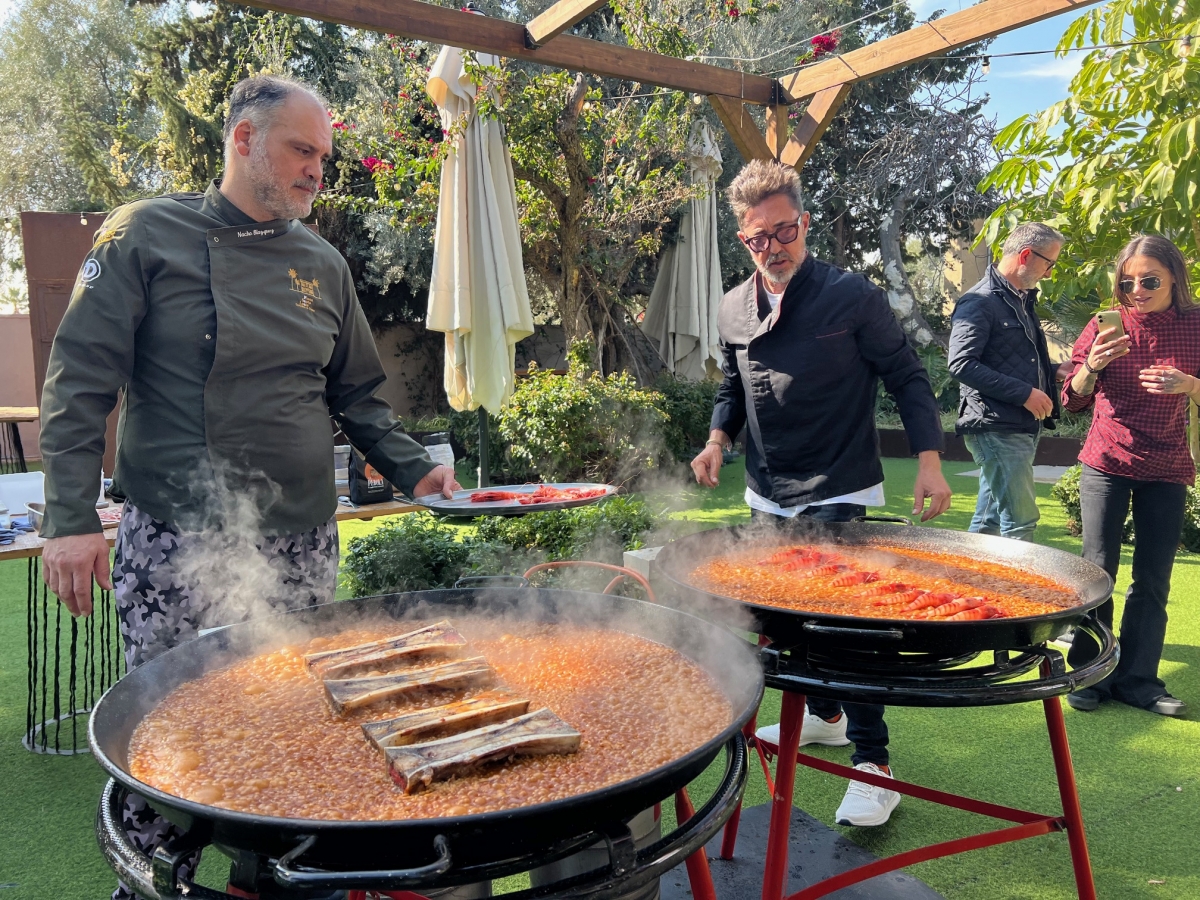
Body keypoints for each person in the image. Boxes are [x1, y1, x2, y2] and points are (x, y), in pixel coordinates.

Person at [38, 74, 461, 899]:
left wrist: (417, 466)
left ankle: (273, 886)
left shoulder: (323, 263)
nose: (317, 172)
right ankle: (154, 886)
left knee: (294, 725)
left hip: (302, 540)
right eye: (302, 150)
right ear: (243, 139)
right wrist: (68, 516)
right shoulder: (144, 235)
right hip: (178, 539)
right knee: (174, 736)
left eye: (324, 157)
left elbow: (359, 396)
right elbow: (79, 378)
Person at [689, 160, 951, 827]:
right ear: (742, 240)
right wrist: (718, 441)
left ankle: (874, 764)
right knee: (779, 618)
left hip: (838, 481)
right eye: (757, 238)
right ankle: (826, 718)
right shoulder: (730, 306)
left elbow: (907, 376)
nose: (773, 247)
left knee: (841, 623)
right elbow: (732, 387)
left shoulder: (851, 296)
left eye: (784, 231)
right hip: (767, 489)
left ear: (803, 223)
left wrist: (929, 460)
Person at [1061, 235, 1198, 718]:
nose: (1137, 290)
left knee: (1153, 580)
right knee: (1098, 573)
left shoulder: (1196, 325)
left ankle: (1139, 682)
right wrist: (1091, 367)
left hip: (1167, 466)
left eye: (1149, 280)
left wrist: (1190, 384)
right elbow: (1071, 399)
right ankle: (1089, 674)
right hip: (1107, 461)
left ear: (1175, 278)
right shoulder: (1102, 327)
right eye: (1127, 281)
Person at [948, 223, 1063, 540]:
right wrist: (1024, 393)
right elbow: (961, 364)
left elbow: (1012, 360)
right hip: (996, 425)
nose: (1050, 273)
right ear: (1026, 255)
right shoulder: (980, 302)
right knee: (1020, 521)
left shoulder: (1020, 300)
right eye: (1049, 263)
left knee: (990, 522)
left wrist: (1053, 371)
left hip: (1015, 424)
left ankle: (971, 587)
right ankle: (1015, 591)